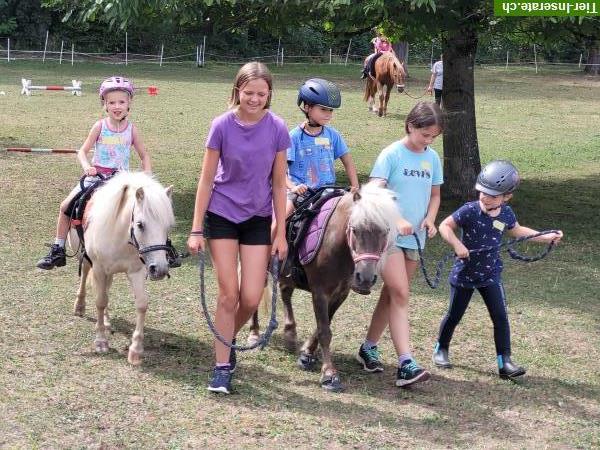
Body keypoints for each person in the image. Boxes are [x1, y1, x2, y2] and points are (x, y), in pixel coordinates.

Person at [187, 62, 290, 395]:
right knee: (229, 294)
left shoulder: (277, 128)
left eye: (261, 94)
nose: (255, 99)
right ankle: (221, 367)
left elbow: (278, 184)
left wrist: (281, 232)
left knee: (251, 296)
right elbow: (205, 180)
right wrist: (195, 229)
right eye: (248, 93)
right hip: (222, 214)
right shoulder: (221, 126)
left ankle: (225, 339)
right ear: (237, 91)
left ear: (269, 94)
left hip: (258, 218)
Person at [433, 160, 563, 379]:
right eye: (483, 192)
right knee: (454, 315)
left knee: (500, 317)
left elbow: (517, 231)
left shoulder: (506, 214)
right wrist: (458, 245)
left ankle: (505, 363)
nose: (485, 197)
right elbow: (444, 226)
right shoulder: (469, 211)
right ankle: (441, 348)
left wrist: (546, 236)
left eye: (492, 195)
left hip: (490, 274)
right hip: (465, 274)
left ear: (507, 196)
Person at [356, 101, 444, 387]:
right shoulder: (391, 154)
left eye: (433, 136)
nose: (428, 141)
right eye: (424, 135)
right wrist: (396, 219)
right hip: (389, 238)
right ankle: (406, 362)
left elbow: (434, 196)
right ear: (410, 126)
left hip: (416, 240)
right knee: (402, 293)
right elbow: (373, 195)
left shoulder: (432, 158)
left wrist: (430, 219)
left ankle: (368, 347)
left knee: (393, 296)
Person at [36, 76, 150, 270]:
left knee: (148, 207)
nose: (117, 106)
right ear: (104, 104)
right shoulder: (99, 126)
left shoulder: (132, 130)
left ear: (129, 103)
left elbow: (144, 155)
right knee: (65, 206)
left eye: (121, 102)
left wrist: (146, 176)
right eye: (111, 102)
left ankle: (162, 248)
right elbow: (81, 151)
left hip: (121, 179)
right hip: (96, 176)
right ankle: (58, 249)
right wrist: (87, 167)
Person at [285, 78, 359, 219]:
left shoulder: (333, 135)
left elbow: (348, 161)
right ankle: (271, 239)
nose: (328, 114)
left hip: (328, 192)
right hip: (300, 194)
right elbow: (280, 171)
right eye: (323, 109)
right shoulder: (293, 137)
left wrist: (355, 186)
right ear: (307, 107)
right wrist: (292, 187)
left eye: (330, 110)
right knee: (280, 221)